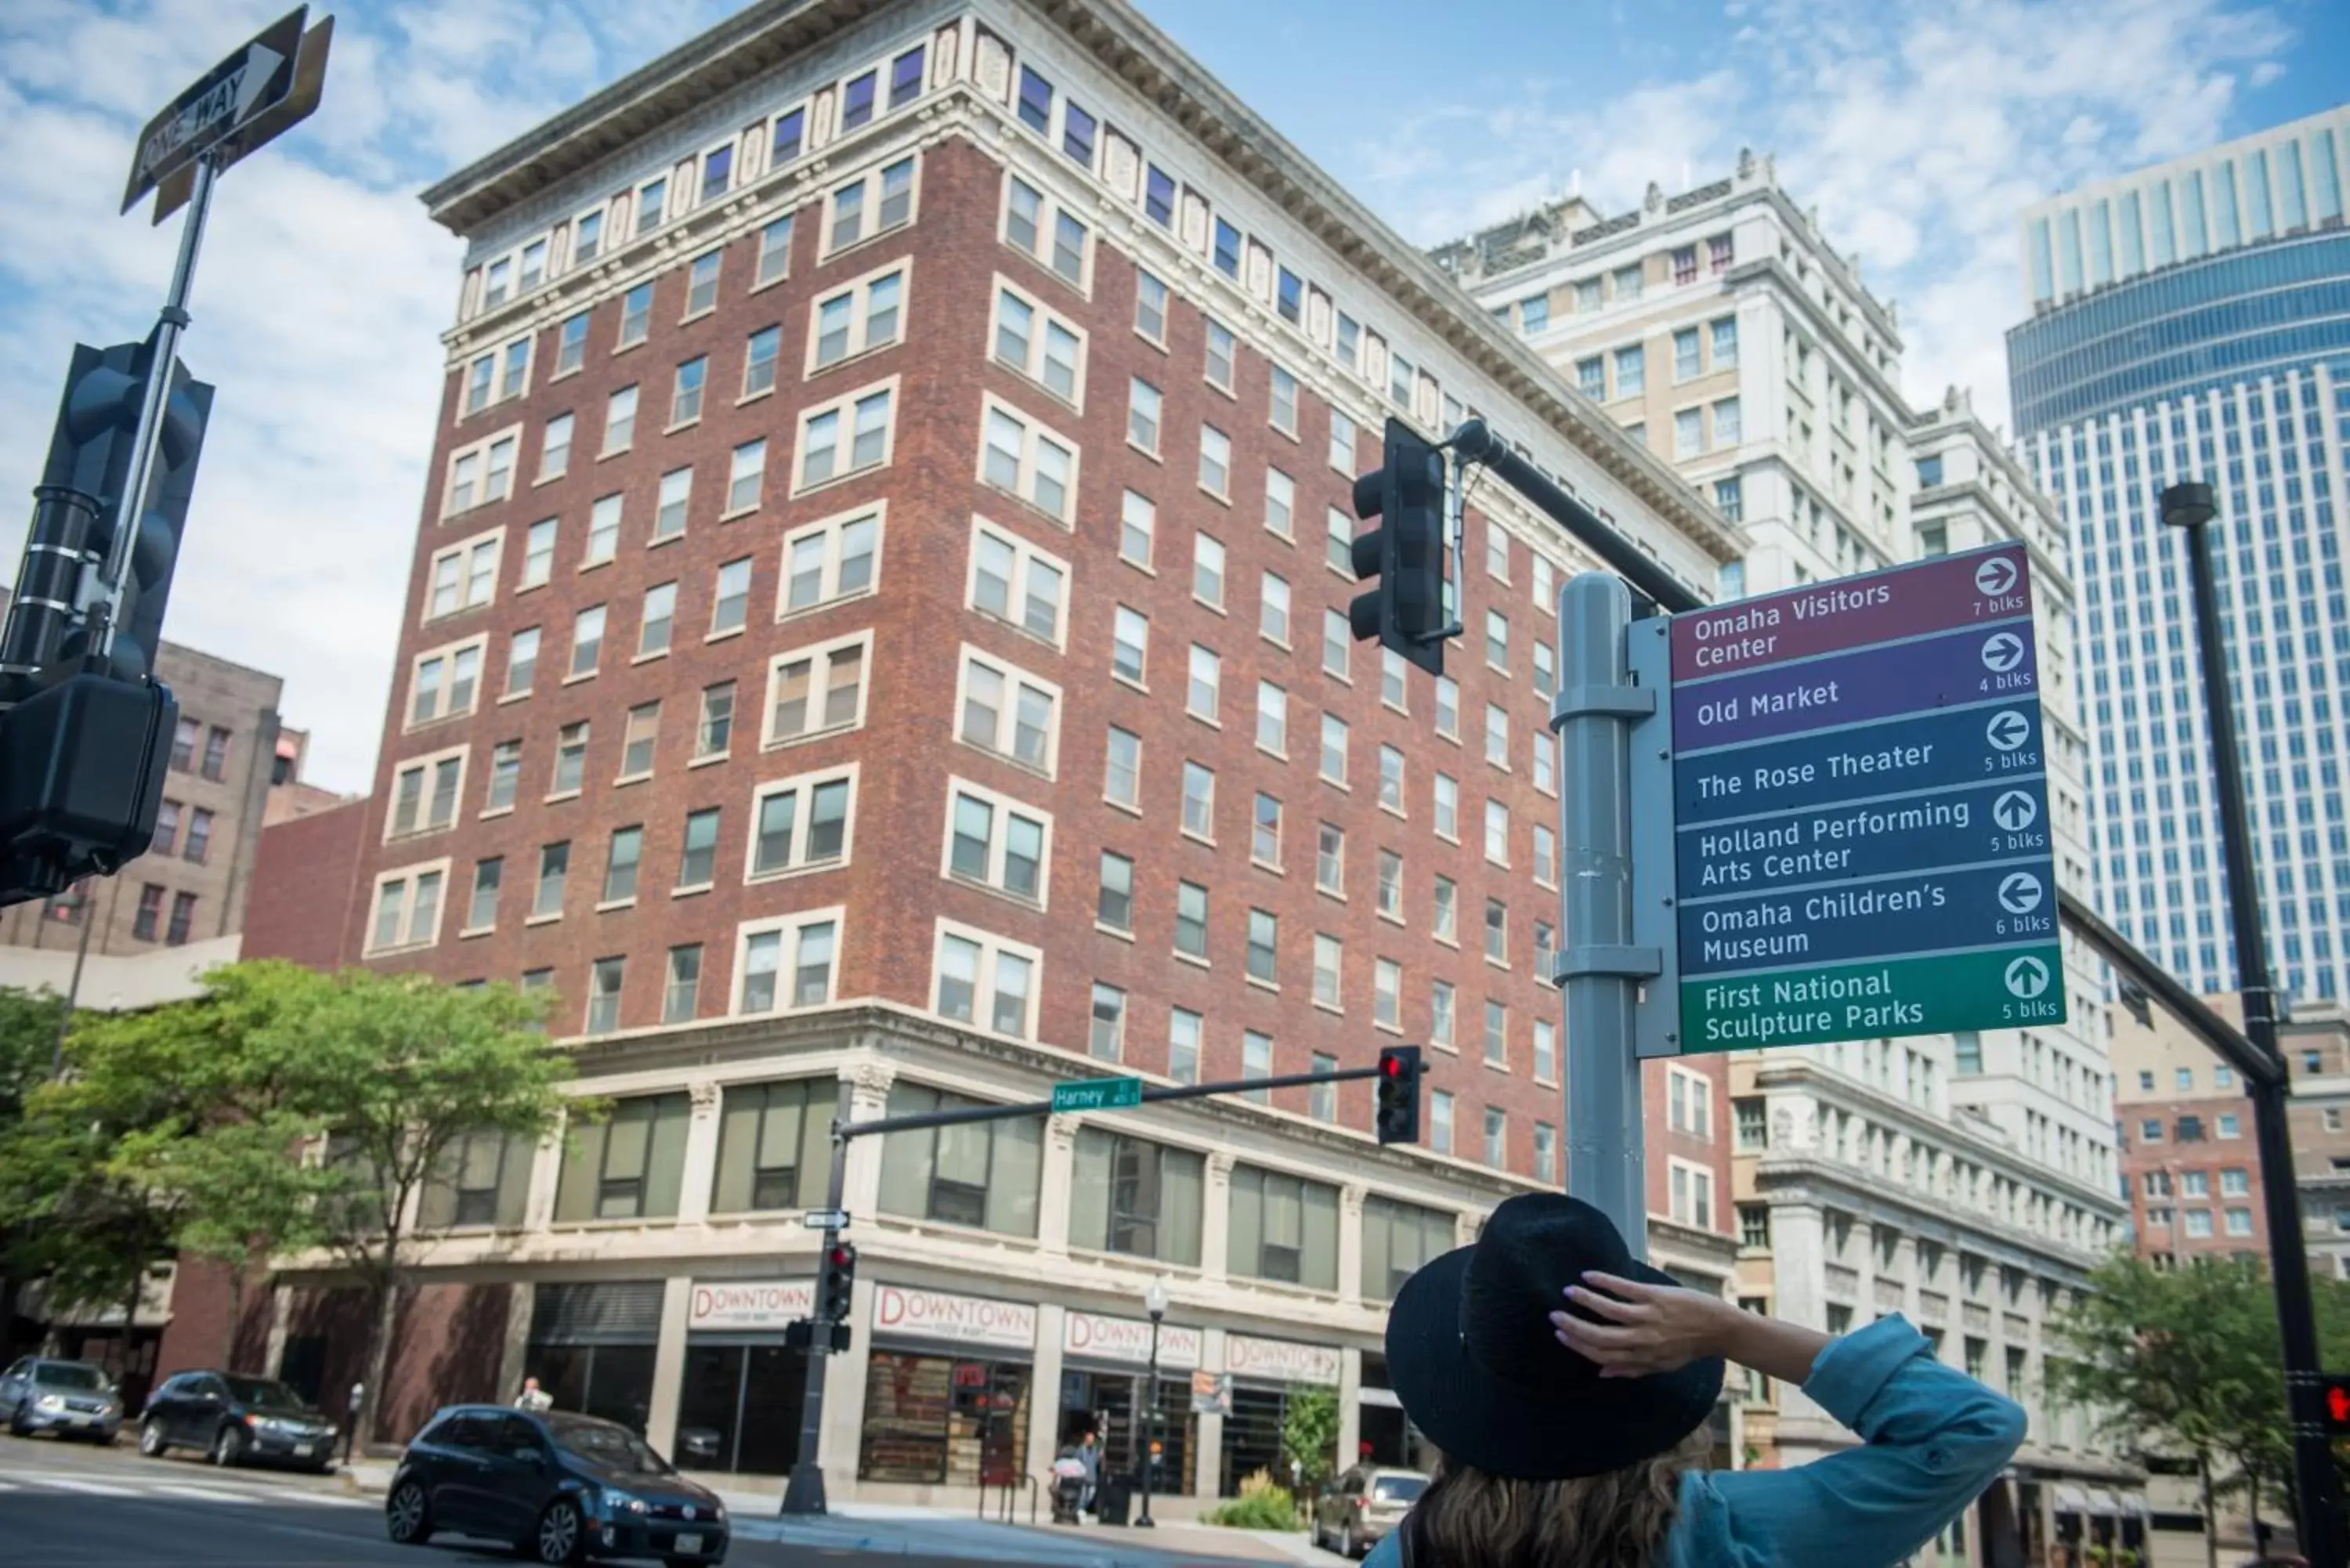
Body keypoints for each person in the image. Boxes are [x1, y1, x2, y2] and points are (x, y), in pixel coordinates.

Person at [1365, 1193, 2026, 1568]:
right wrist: (1729, 1330)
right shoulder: (1727, 1531)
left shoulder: (1407, 1558)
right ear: (1652, 1383)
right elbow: (1976, 1427)